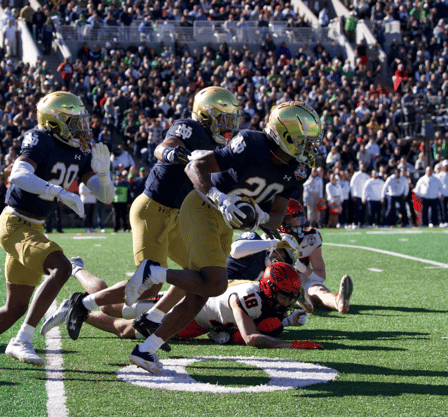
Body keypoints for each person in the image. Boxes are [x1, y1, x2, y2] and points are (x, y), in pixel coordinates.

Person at [123, 101, 320, 374]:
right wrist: (221, 198)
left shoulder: (298, 170)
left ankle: (146, 350)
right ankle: (152, 272)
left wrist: (258, 217)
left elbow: (276, 217)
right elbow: (195, 168)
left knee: (200, 293)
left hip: (226, 222)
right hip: (203, 207)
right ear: (283, 135)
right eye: (304, 141)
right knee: (215, 284)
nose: (311, 148)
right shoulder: (251, 143)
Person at [58, 87, 242, 348]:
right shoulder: (190, 127)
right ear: (205, 115)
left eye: (231, 119)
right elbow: (163, 146)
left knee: (199, 274)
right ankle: (83, 303)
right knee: (147, 288)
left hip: (179, 217)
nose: (228, 126)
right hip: (152, 210)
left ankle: (151, 318)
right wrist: (169, 153)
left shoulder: (217, 146)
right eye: (223, 118)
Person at [0, 92, 113, 369]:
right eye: (75, 121)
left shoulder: (80, 150)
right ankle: (22, 340)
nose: (82, 127)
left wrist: (104, 173)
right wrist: (58, 191)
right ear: (55, 121)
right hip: (14, 223)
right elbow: (18, 175)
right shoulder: (40, 138)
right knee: (61, 267)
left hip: (34, 227)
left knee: (15, 307)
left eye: (83, 121)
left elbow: (105, 196)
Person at [44, 261, 322, 350]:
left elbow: (257, 324)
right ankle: (77, 283)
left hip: (198, 325)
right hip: (185, 309)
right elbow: (249, 337)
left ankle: (78, 305)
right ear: (270, 291)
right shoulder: (248, 300)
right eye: (286, 296)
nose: (287, 302)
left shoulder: (264, 297)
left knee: (125, 324)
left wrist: (286, 319)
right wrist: (290, 344)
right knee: (113, 310)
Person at [295, 227, 353, 314]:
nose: (298, 223)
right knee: (286, 293)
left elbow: (321, 276)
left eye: (300, 218)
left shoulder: (310, 236)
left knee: (319, 290)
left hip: (305, 278)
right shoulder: (271, 239)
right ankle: (302, 300)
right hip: (286, 281)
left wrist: (303, 268)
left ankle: (338, 303)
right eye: (293, 219)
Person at [349, 162, 369, 229]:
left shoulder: (367, 176)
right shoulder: (356, 174)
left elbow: (368, 187)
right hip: (357, 195)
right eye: (362, 166)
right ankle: (355, 223)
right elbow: (352, 185)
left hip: (364, 197)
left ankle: (362, 223)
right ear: (360, 167)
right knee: (356, 210)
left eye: (364, 167)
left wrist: (367, 196)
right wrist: (352, 195)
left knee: (363, 210)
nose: (363, 168)